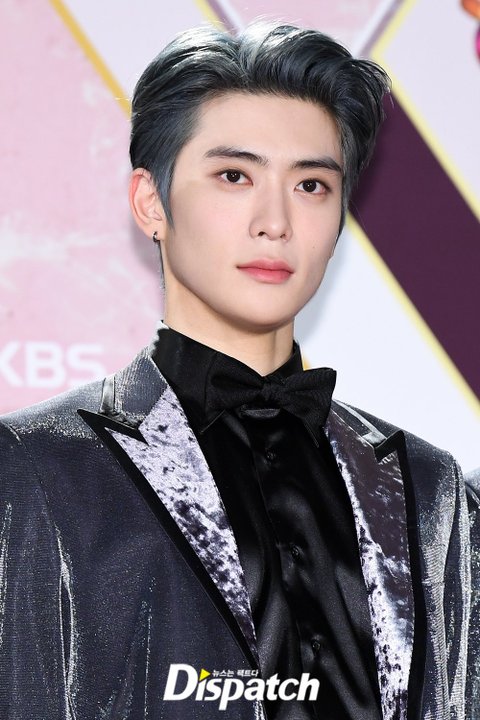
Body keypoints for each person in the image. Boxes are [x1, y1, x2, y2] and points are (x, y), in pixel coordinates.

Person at [0, 21, 470, 720]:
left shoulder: (430, 489)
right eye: (234, 176)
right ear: (151, 202)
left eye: (311, 184)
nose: (275, 221)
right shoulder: (37, 468)